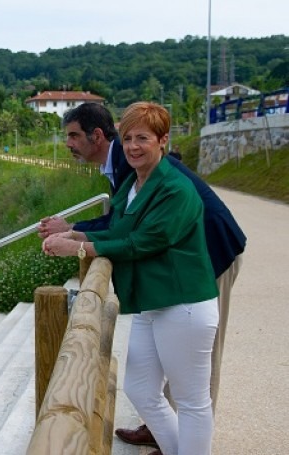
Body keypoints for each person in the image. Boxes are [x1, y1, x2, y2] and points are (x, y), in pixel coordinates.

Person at [38, 102, 246, 450]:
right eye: (129, 137)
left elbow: (145, 238)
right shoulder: (133, 177)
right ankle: (173, 442)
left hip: (199, 271)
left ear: (162, 141)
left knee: (194, 390)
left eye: (143, 138)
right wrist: (75, 234)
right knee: (141, 386)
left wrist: (78, 245)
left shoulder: (163, 180)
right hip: (157, 291)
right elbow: (120, 223)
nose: (133, 146)